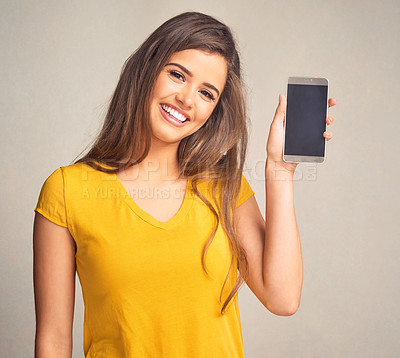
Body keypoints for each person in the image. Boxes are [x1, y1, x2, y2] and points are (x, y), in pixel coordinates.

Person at [33, 11, 335, 358]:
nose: (187, 99)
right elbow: (53, 341)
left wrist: (280, 171)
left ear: (214, 110)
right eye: (177, 75)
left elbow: (282, 298)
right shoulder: (67, 191)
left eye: (207, 93)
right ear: (147, 70)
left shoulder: (223, 186)